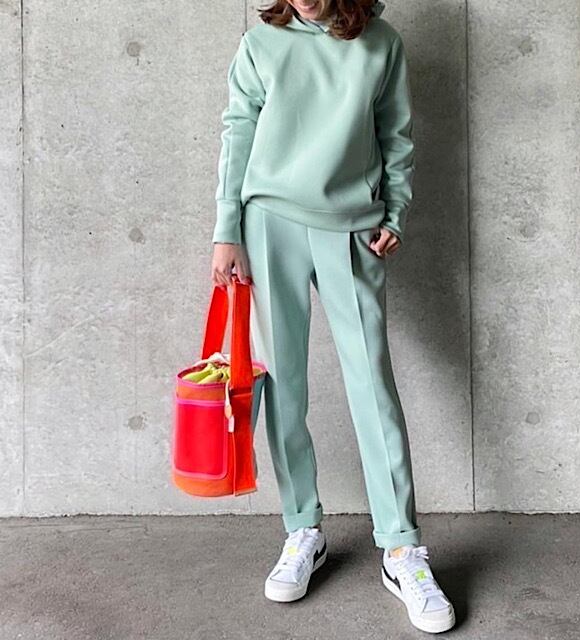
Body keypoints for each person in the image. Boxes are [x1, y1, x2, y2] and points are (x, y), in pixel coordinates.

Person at [210, 0, 455, 634]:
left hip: (353, 227)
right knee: (283, 384)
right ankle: (302, 529)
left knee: (372, 383)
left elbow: (396, 134)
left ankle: (401, 548)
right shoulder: (261, 43)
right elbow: (238, 130)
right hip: (269, 223)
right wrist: (226, 231)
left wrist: (395, 211)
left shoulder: (381, 43)